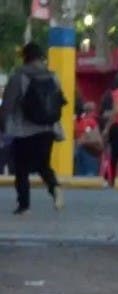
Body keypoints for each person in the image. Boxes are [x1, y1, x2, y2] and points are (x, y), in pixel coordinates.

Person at [1, 43, 64, 214]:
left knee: (21, 168)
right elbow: (59, 101)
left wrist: (3, 124)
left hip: (24, 130)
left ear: (25, 57)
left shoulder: (19, 76)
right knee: (44, 164)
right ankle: (54, 187)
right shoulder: (53, 76)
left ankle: (24, 205)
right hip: (48, 128)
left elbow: (8, 104)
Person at [74, 101, 102, 176]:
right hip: (87, 151)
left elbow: (97, 140)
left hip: (87, 150)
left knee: (83, 174)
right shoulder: (90, 121)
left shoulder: (89, 121)